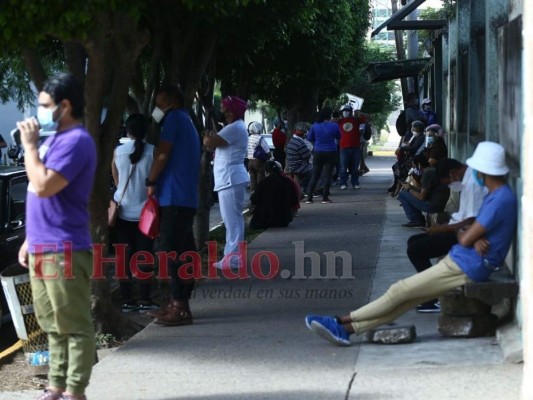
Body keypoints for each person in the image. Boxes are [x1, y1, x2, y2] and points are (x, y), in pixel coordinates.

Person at [305, 141, 517, 346]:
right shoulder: (499, 195)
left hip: (468, 265)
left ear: (482, 171)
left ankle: (340, 320)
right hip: (466, 260)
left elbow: (466, 235)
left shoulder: (500, 199)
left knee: (400, 290)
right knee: (406, 298)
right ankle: (347, 330)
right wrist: (472, 232)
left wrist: (468, 232)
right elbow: (473, 226)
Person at [17, 73, 97, 400]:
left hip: (63, 248)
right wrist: (29, 238)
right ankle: (56, 387)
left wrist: (29, 148)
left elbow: (42, 185)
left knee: (73, 326)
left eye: (45, 106)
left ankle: (75, 392)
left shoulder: (77, 141)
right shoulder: (52, 141)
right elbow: (41, 197)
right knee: (51, 325)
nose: (39, 113)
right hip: (42, 245)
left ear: (65, 106)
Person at [144, 86, 200, 327]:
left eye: (159, 102)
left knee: (170, 251)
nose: (157, 108)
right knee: (185, 251)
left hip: (174, 197)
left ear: (171, 102)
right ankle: (180, 301)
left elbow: (163, 153)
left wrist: (151, 180)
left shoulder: (174, 119)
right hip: (184, 197)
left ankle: (179, 306)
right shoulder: (186, 121)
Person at [407, 158, 486, 312]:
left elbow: (472, 219)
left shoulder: (472, 184)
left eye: (448, 181)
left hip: (463, 234)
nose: (450, 184)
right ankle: (430, 293)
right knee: (413, 241)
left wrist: (444, 229)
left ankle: (431, 299)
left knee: (415, 250)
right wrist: (442, 227)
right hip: (456, 228)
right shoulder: (468, 177)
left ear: (453, 173)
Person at [111, 114, 158, 313]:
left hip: (122, 212)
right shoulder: (153, 152)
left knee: (124, 257)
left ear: (127, 130)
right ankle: (145, 299)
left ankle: (127, 300)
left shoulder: (117, 152)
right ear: (145, 131)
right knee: (145, 256)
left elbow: (116, 181)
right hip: (145, 214)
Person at [203, 95, 249, 270]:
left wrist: (207, 136)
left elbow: (209, 142)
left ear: (231, 111)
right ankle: (233, 257)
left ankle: (234, 258)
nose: (220, 110)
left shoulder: (234, 128)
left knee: (233, 221)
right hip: (230, 178)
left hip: (230, 178)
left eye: (223, 107)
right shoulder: (234, 127)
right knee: (233, 220)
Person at [398, 157, 451, 227]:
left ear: (419, 165)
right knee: (407, 192)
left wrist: (408, 189)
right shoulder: (433, 170)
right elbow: (428, 191)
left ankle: (416, 220)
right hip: (439, 203)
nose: (414, 168)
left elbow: (421, 197)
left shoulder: (427, 173)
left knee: (402, 194)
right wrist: (412, 187)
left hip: (432, 205)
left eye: (414, 166)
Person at [249, 160, 299, 229]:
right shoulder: (287, 181)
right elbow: (294, 200)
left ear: (266, 172)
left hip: (265, 220)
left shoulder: (264, 182)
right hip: (284, 220)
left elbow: (254, 200)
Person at [305, 108, 340, 204]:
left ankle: (309, 198)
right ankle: (325, 198)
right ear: (329, 117)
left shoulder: (315, 126)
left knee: (315, 174)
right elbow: (339, 136)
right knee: (327, 175)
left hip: (318, 152)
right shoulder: (334, 125)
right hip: (331, 151)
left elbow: (310, 138)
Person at [337, 104, 366, 190]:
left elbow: (365, 119)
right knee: (343, 167)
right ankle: (343, 183)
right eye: (344, 111)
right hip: (343, 147)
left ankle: (355, 183)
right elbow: (332, 121)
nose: (346, 112)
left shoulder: (355, 120)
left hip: (355, 147)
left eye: (347, 111)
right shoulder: (340, 121)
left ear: (350, 112)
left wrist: (359, 113)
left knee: (355, 167)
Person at [285, 122, 313, 193]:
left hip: (292, 165)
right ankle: (308, 188)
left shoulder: (292, 140)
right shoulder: (300, 142)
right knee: (316, 169)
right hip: (298, 166)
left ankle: (300, 189)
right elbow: (307, 155)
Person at [246, 121, 270, 192]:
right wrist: (270, 156)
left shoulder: (249, 138)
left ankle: (253, 196)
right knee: (260, 179)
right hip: (258, 161)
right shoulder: (260, 138)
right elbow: (267, 150)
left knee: (252, 180)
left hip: (250, 161)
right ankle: (260, 195)